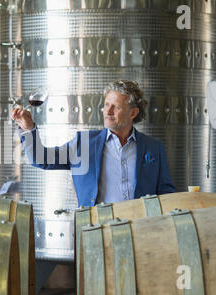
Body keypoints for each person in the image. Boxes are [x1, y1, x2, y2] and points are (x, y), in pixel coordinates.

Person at [11, 80, 176, 207]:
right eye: (106, 105)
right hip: (96, 232)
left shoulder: (154, 148)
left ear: (133, 113)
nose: (108, 112)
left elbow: (167, 196)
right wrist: (28, 128)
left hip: (141, 235)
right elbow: (41, 158)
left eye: (116, 107)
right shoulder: (84, 144)